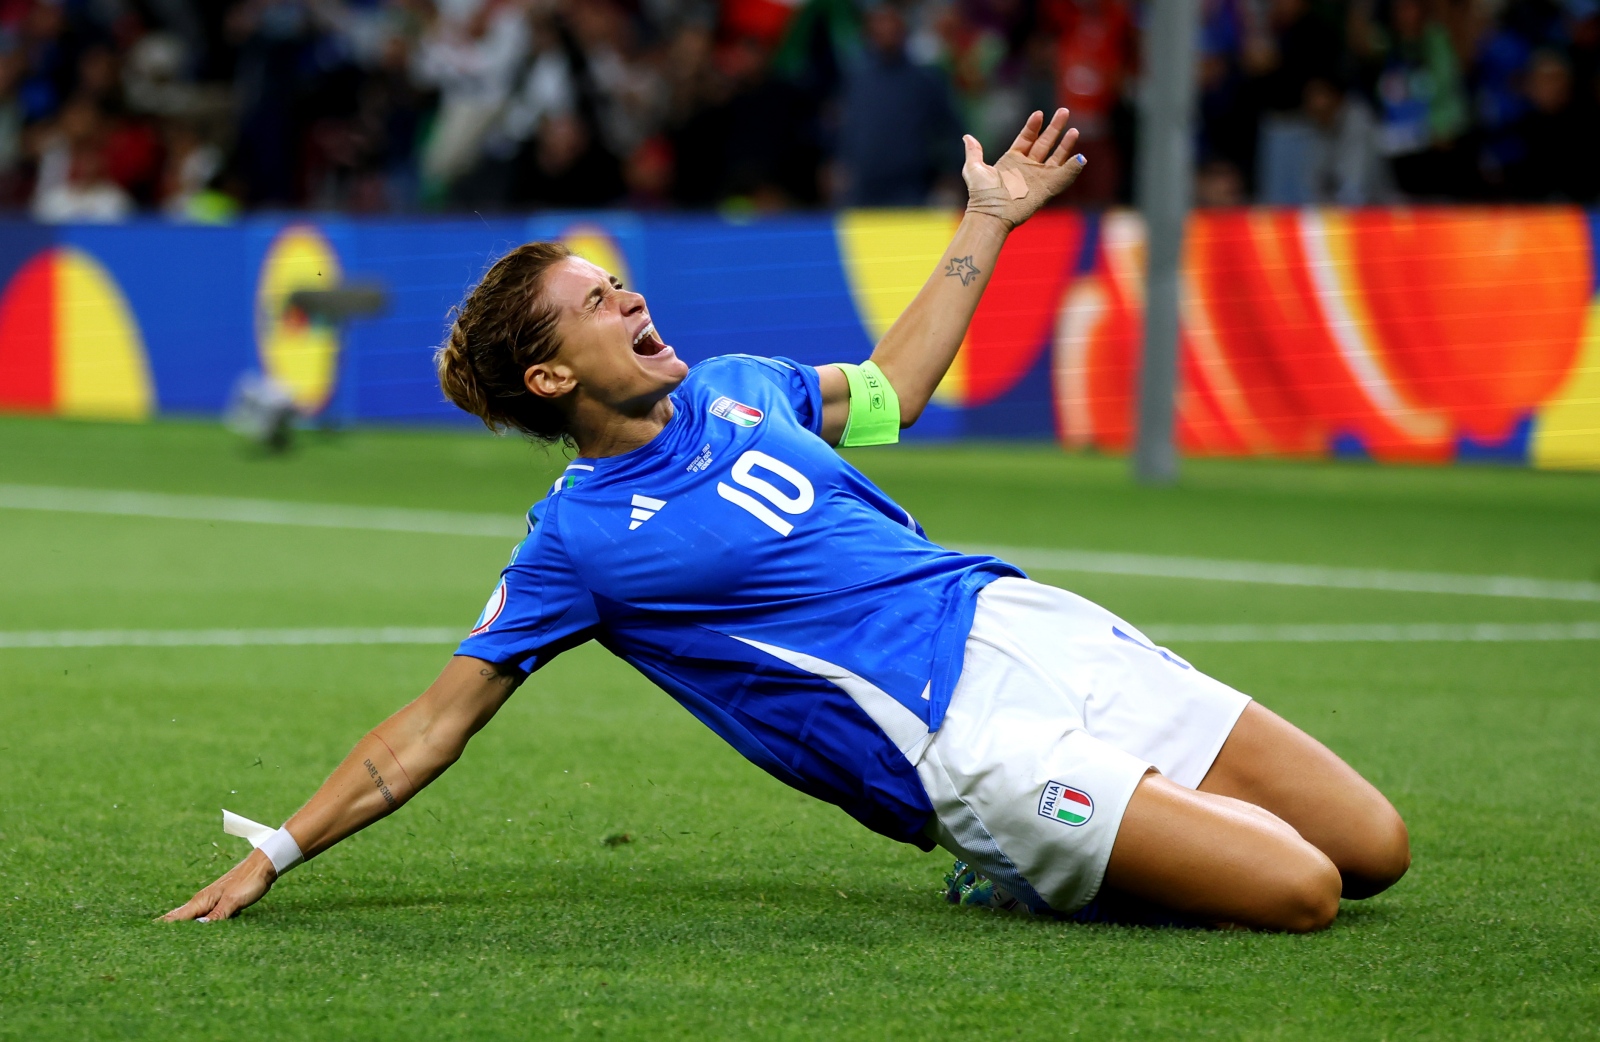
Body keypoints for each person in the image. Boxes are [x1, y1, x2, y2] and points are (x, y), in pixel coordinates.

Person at [165, 110, 1410, 932]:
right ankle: (1028, 861)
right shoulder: (575, 543)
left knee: (1374, 847)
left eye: (618, 282)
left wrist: (987, 217)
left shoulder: (740, 386)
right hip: (961, 738)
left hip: (1028, 625)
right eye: (596, 303)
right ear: (550, 377)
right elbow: (429, 729)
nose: (629, 299)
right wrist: (277, 850)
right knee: (1299, 888)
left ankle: (1105, 838)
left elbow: (893, 392)